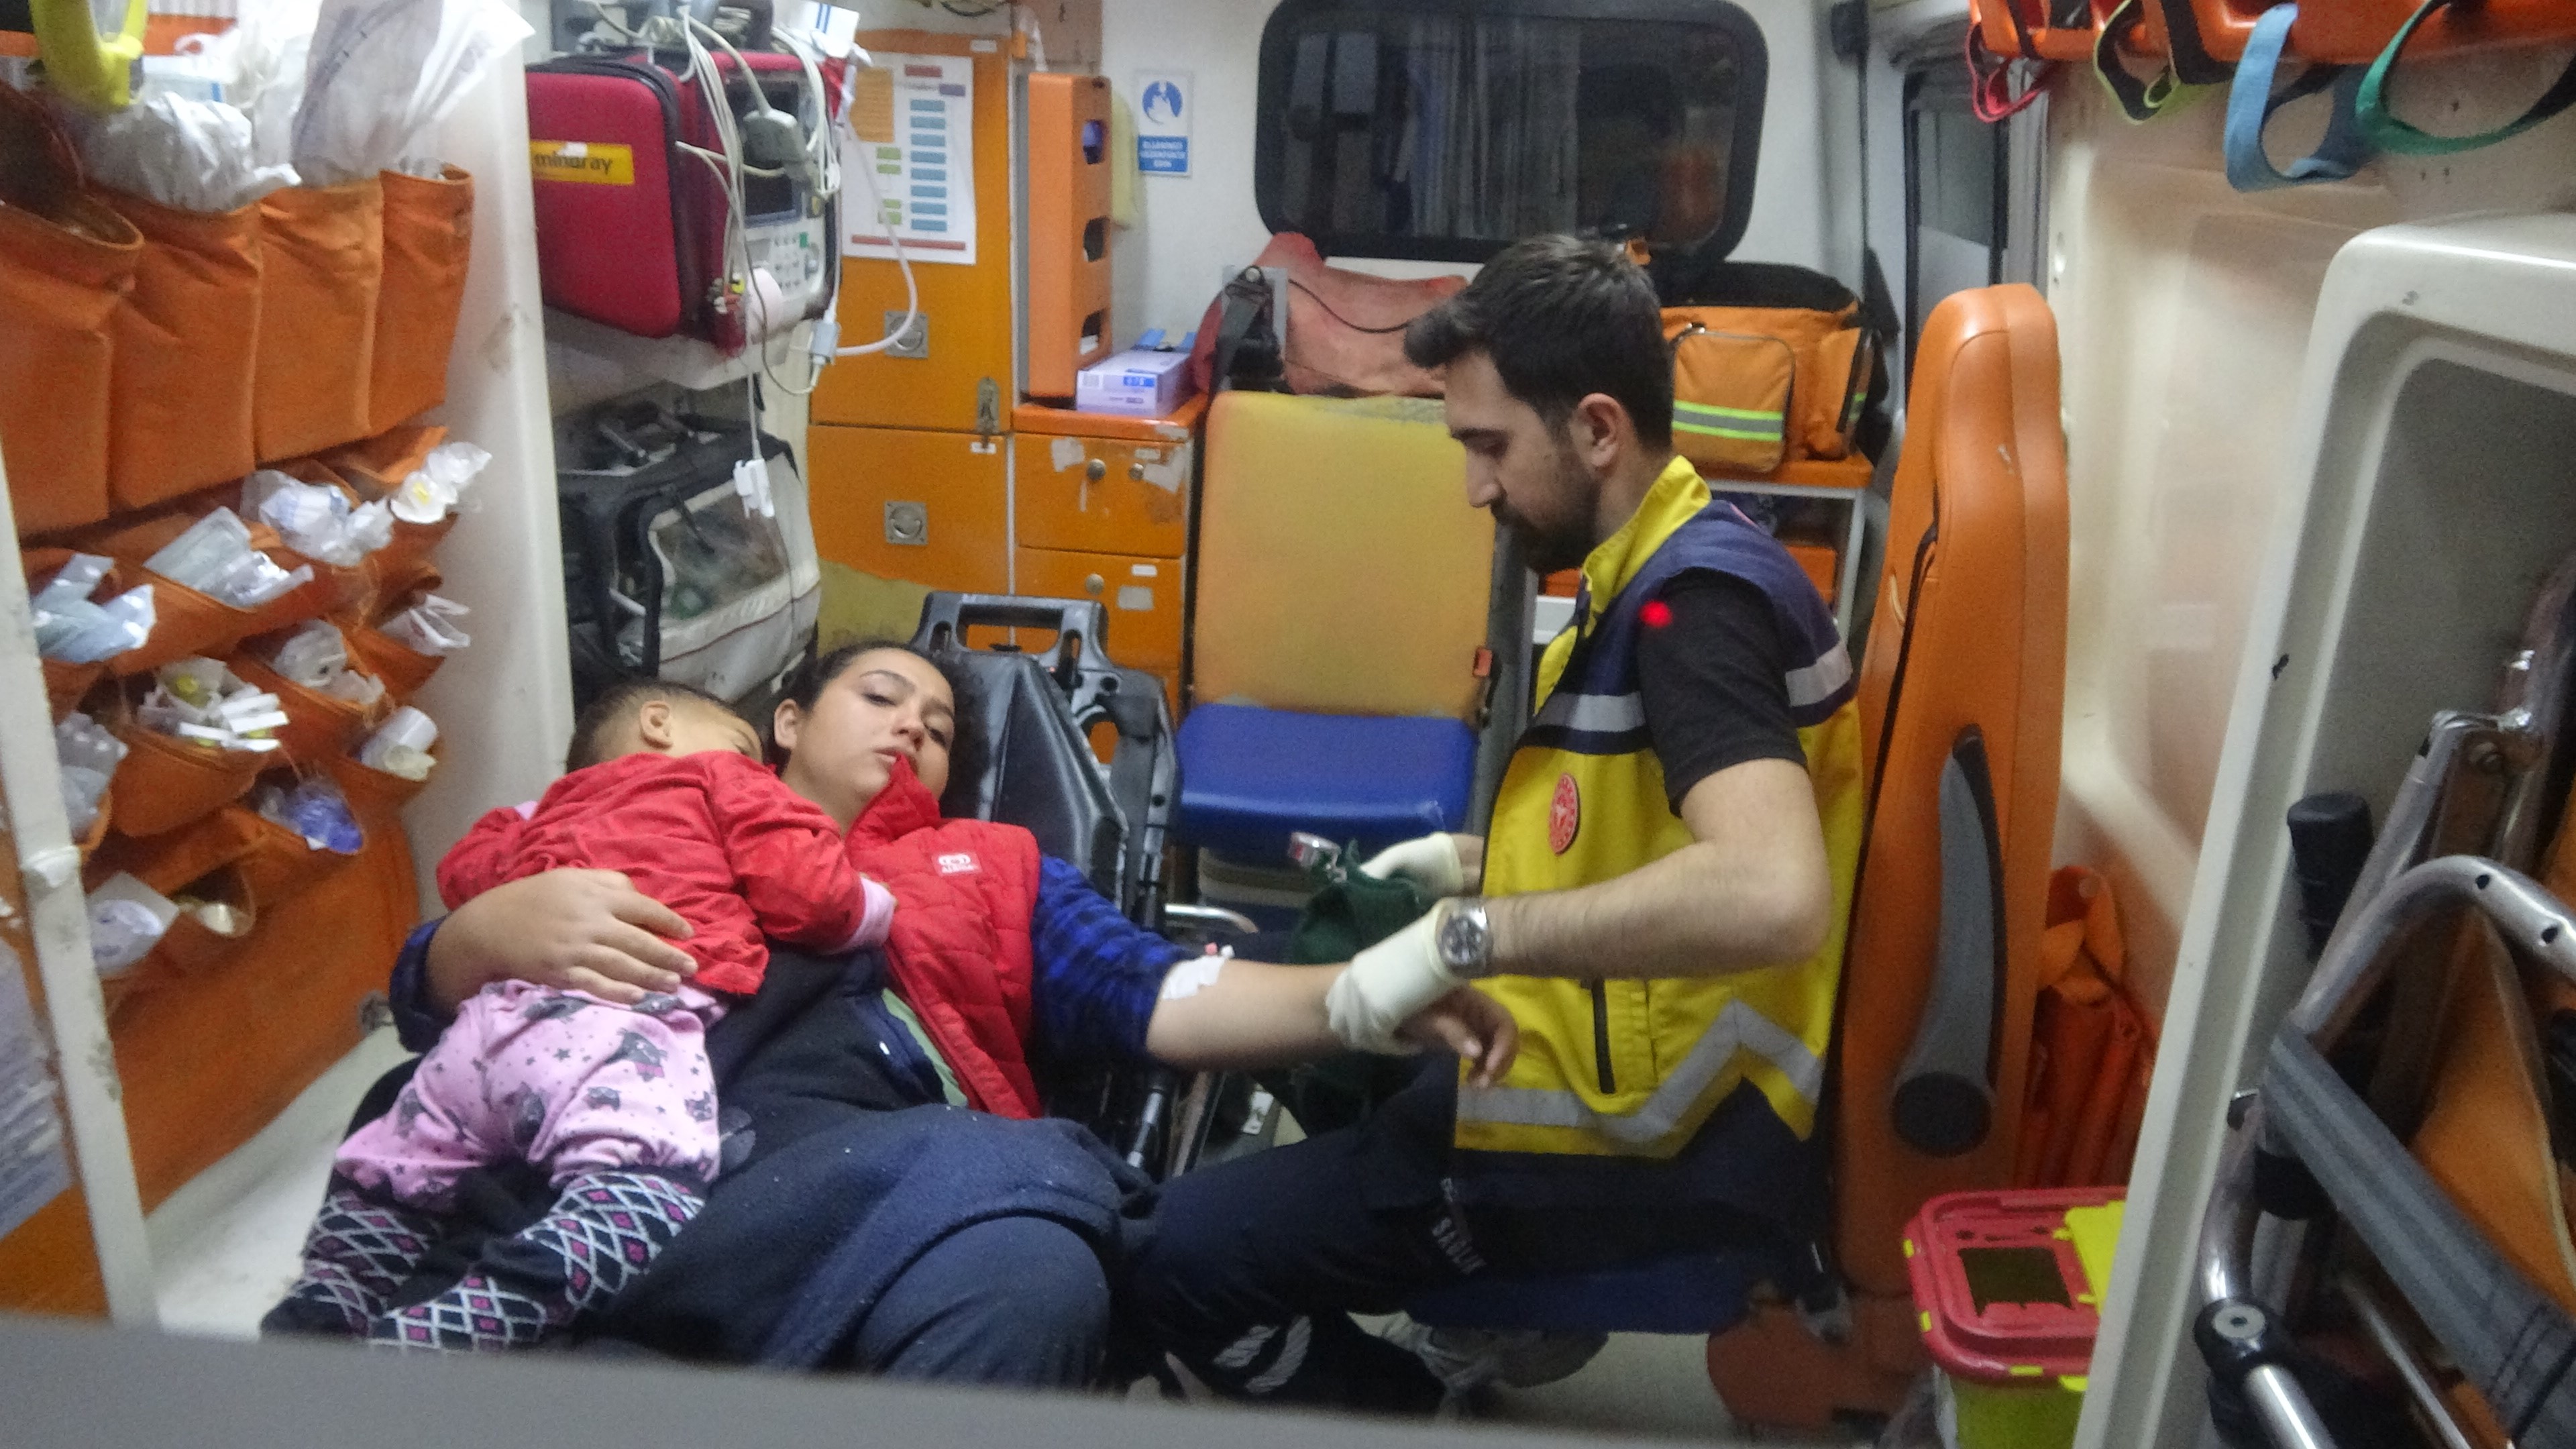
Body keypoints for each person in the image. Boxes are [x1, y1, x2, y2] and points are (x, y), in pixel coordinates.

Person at [329, 641, 1516, 1390]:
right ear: (786, 722)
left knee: (1031, 1268)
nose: (911, 727)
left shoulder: (985, 868)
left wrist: (1359, 994)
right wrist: (471, 942)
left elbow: (1155, 992)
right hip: (585, 1140)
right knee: (393, 1123)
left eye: (940, 729)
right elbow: (439, 1020)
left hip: (852, 1162)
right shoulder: (630, 814)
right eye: (881, 695)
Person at [1124, 233, 1867, 1407]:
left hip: (1632, 1144)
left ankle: (1400, 1403)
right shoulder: (1658, 570)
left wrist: (1465, 938)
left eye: (1489, 446)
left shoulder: (1696, 612)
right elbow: (1626, 828)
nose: (1476, 488)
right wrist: (1469, 868)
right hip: (1585, 1067)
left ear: (1598, 430)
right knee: (1310, 1038)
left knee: (1161, 1259)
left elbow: (1772, 892)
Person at [268, 680, 898, 1350]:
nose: (756, 767)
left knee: (391, 1182)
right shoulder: (725, 780)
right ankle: (452, 1330)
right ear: (659, 723)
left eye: (938, 729)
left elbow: (465, 872)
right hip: (613, 1030)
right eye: (745, 747)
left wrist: (523, 857)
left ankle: (324, 1307)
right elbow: (810, 894)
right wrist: (878, 908)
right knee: (642, 1201)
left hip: (488, 1032)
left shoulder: (544, 810)